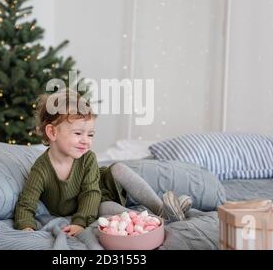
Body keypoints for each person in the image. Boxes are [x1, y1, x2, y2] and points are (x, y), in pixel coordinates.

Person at [14, 88, 192, 236]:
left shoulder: (87, 158)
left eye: (90, 134)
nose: (86, 141)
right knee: (105, 208)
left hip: (102, 188)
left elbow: (91, 192)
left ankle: (161, 208)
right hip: (97, 204)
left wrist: (80, 222)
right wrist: (26, 226)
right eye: (78, 134)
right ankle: (155, 221)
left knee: (119, 169)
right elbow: (26, 203)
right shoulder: (41, 169)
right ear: (52, 133)